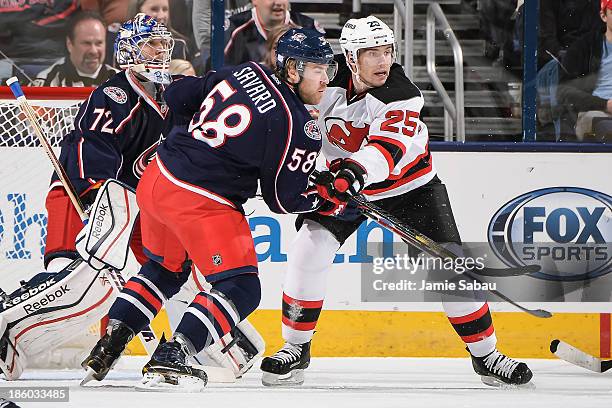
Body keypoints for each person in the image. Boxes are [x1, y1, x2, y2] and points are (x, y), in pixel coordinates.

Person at [260, 16, 534, 388]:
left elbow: (385, 150)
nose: (383, 61)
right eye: (372, 52)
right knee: (309, 248)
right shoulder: (324, 80)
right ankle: (296, 347)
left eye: (387, 50)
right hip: (349, 188)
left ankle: (486, 355)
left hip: (411, 190)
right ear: (351, 57)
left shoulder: (401, 93)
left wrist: (349, 174)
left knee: (450, 269)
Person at [81, 27, 337, 390]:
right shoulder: (298, 124)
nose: (326, 78)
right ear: (292, 69)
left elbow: (179, 93)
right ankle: (176, 354)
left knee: (163, 270)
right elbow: (284, 200)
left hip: (159, 176)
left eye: (327, 69)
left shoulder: (245, 71)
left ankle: (109, 346)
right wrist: (325, 195)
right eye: (317, 69)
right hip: (201, 197)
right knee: (241, 286)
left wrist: (186, 141)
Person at [0, 12, 176, 381]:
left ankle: (173, 347)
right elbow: (90, 150)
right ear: (129, 50)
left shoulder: (167, 98)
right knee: (68, 274)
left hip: (130, 206)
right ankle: (10, 321)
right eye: (151, 43)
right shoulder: (114, 94)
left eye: (163, 43)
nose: (160, 50)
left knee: (157, 274)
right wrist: (96, 197)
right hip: (77, 193)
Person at [557, 0, 612, 141]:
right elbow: (564, 91)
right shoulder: (584, 47)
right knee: (606, 128)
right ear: (603, 15)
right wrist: (604, 104)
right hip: (597, 112)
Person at [220, 0, 324, 67]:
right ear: (254, 1)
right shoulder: (234, 28)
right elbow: (221, 76)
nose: (278, 2)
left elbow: (319, 75)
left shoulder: (308, 28)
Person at [30, 11, 118, 87]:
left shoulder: (123, 81)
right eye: (86, 43)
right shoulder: (46, 82)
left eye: (99, 43)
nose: (93, 51)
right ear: (70, 44)